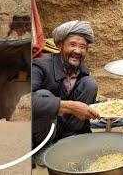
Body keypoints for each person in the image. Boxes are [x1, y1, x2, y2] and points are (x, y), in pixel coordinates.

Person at [32, 20, 100, 166]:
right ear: (60, 45)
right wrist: (69, 106)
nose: (78, 51)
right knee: (43, 95)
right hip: (42, 130)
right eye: (73, 45)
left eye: (83, 47)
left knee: (90, 84)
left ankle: (70, 138)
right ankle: (43, 148)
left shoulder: (83, 70)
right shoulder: (40, 65)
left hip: (65, 126)